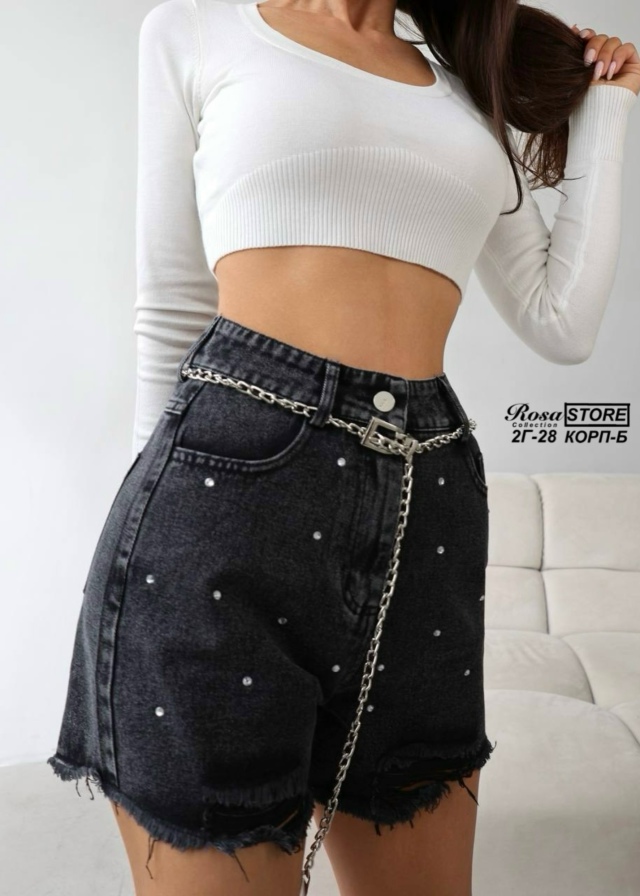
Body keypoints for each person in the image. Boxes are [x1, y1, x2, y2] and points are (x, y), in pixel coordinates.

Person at [48, 1, 639, 894]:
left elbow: (561, 323)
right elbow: (171, 306)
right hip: (219, 496)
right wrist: (151, 543)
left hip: (427, 507)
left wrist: (611, 109)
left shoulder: (463, 84)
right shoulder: (196, 32)